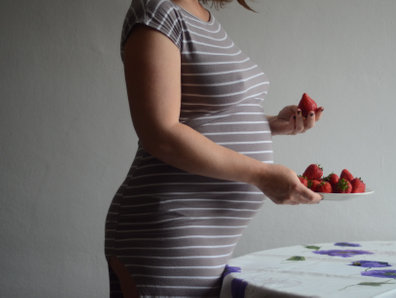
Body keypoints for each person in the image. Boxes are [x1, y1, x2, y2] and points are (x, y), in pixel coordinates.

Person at [104, 0, 324, 297]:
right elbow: (161, 132)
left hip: (206, 236)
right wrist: (261, 174)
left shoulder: (201, 16)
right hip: (171, 228)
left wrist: (271, 124)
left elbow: (202, 114)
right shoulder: (157, 11)